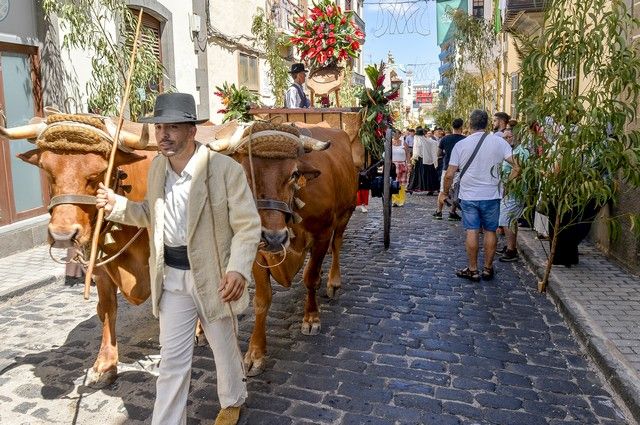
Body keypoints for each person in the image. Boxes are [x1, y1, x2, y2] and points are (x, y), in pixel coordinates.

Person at [96, 93, 262, 425]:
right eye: (160, 127)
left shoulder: (225, 170)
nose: (164, 135)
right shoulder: (158, 168)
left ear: (191, 130)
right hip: (171, 277)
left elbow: (247, 226)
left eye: (173, 127)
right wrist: (116, 205)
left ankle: (233, 398)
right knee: (172, 360)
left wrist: (238, 269)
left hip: (215, 277)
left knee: (223, 344)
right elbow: (149, 214)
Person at [441, 109, 518, 282]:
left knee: (472, 231)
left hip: (469, 196)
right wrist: (505, 184)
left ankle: (473, 269)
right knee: (491, 231)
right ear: (487, 124)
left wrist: (444, 193)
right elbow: (517, 166)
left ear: (469, 124)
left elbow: (449, 174)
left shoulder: (461, 145)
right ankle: (488, 269)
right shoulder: (499, 143)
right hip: (492, 195)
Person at [498, 121, 530, 262]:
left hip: (514, 190)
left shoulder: (520, 152)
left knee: (506, 219)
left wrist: (508, 186)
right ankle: (510, 246)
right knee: (509, 219)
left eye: (507, 137)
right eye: (504, 138)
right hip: (510, 189)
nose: (505, 140)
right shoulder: (512, 151)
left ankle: (511, 250)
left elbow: (517, 170)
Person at [434, 118, 465, 221]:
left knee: (443, 190)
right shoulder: (464, 140)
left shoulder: (445, 139)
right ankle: (452, 212)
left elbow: (438, 154)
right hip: (459, 169)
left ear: (452, 127)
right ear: (461, 127)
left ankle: (439, 212)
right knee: (456, 192)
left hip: (447, 167)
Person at [407, 128, 438, 194]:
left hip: (419, 159)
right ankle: (430, 189)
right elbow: (434, 143)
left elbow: (416, 151)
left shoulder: (417, 139)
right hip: (426, 160)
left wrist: (413, 158)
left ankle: (412, 187)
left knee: (416, 174)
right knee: (427, 174)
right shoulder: (427, 140)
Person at [391, 130, 409, 206]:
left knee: (402, 183)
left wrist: (409, 164)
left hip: (402, 164)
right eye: (393, 133)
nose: (395, 135)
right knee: (393, 182)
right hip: (393, 165)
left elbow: (408, 153)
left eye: (396, 133)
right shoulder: (390, 143)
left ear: (400, 135)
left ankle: (401, 200)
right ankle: (394, 200)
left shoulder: (403, 143)